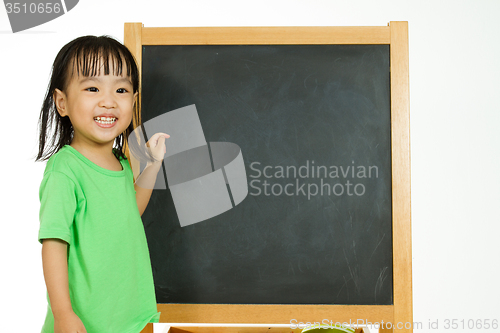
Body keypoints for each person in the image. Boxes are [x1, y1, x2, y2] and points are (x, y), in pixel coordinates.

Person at [35, 35, 169, 333]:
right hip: (85, 322)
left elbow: (129, 210)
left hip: (130, 317)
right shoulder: (65, 170)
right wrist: (63, 314)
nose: (108, 101)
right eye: (92, 88)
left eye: (121, 89)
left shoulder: (120, 162)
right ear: (62, 102)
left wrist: (153, 165)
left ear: (132, 101)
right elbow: (54, 243)